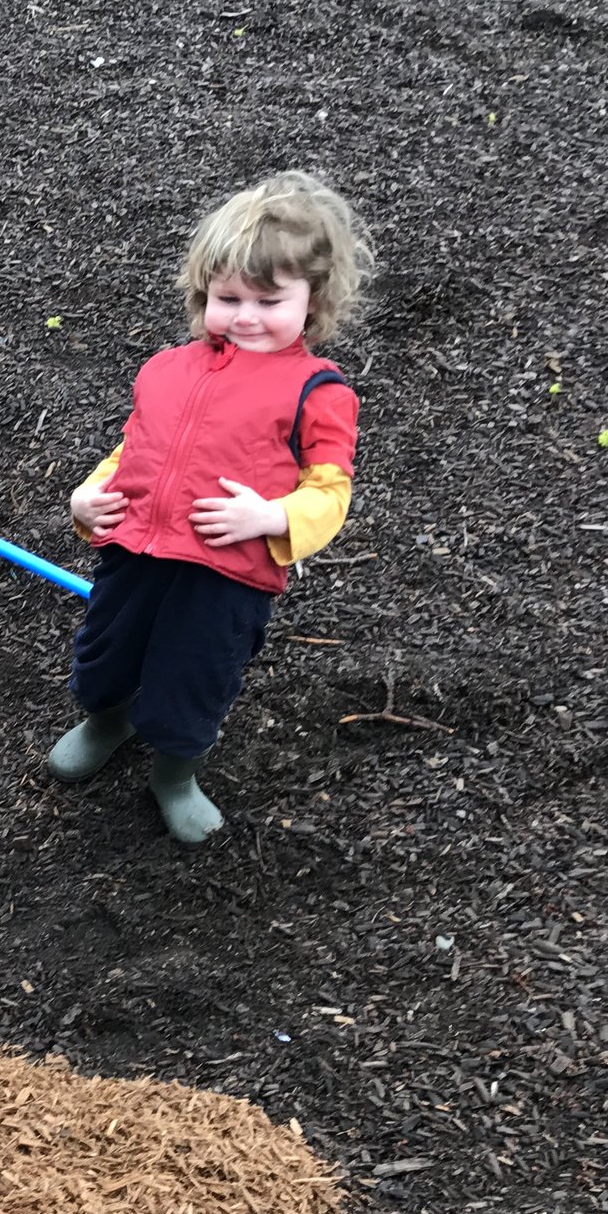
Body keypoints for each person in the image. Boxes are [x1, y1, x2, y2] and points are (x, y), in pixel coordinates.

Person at [50, 170, 369, 845]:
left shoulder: (318, 391)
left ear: (311, 303)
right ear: (204, 292)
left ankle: (174, 772)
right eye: (229, 297)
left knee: (193, 675)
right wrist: (88, 499)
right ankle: (108, 719)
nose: (246, 315)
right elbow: (133, 449)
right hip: (133, 552)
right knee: (106, 651)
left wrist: (273, 517)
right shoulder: (167, 369)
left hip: (224, 576)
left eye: (269, 299)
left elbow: (330, 491)